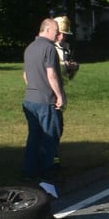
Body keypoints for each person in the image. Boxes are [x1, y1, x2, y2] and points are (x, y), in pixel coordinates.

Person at [22, 15, 66, 196]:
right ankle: (47, 173)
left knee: (34, 136)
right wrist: (59, 95)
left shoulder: (30, 48)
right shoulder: (49, 48)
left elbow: (25, 75)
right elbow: (51, 75)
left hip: (29, 99)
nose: (58, 35)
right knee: (50, 136)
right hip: (45, 100)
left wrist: (34, 88)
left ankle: (29, 171)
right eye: (56, 31)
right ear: (47, 29)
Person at [53, 15, 79, 81]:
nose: (62, 37)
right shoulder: (48, 47)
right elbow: (50, 67)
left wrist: (74, 67)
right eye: (59, 33)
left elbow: (68, 78)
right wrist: (66, 65)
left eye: (64, 34)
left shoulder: (66, 48)